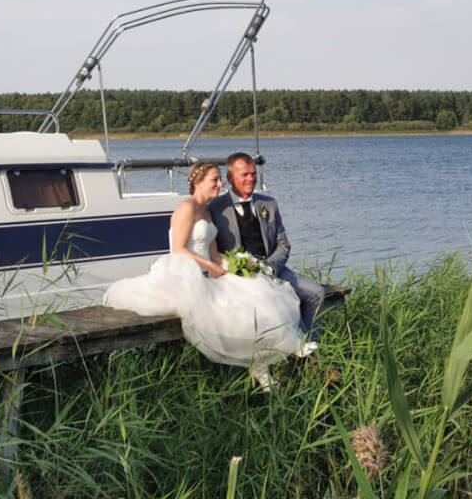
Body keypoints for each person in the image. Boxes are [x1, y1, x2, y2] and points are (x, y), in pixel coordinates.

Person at [103, 162, 314, 389]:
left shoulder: (207, 213)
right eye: (215, 180)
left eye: (220, 179)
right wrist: (209, 267)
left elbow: (214, 254)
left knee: (255, 293)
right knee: (227, 310)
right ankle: (261, 368)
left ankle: (268, 362)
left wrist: (239, 264)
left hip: (207, 271)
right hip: (184, 272)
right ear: (198, 182)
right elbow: (179, 249)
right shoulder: (186, 208)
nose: (220, 184)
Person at [209, 152, 327, 342]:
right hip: (240, 278)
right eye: (244, 175)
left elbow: (283, 243)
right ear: (230, 178)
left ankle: (312, 343)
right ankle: (309, 355)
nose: (251, 179)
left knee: (317, 293)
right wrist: (240, 269)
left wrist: (271, 266)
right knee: (279, 303)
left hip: (273, 270)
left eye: (253, 173)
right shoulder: (215, 208)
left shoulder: (268, 204)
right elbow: (214, 251)